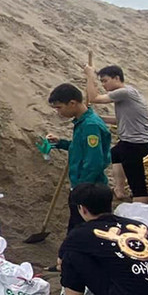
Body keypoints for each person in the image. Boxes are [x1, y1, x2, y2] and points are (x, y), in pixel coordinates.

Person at [47, 83, 111, 232]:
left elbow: (94, 161)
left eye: (59, 108)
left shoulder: (90, 126)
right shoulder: (82, 122)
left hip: (89, 189)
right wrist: (60, 143)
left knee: (83, 229)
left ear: (72, 103)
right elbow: (80, 149)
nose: (58, 112)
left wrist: (80, 189)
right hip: (82, 185)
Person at [87, 63, 148, 203]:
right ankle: (119, 190)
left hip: (135, 144)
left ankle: (141, 206)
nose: (104, 85)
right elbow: (122, 120)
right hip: (132, 142)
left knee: (137, 181)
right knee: (115, 153)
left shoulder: (124, 92)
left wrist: (89, 75)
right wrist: (98, 119)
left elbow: (94, 99)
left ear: (116, 78)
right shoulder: (127, 93)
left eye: (105, 81)